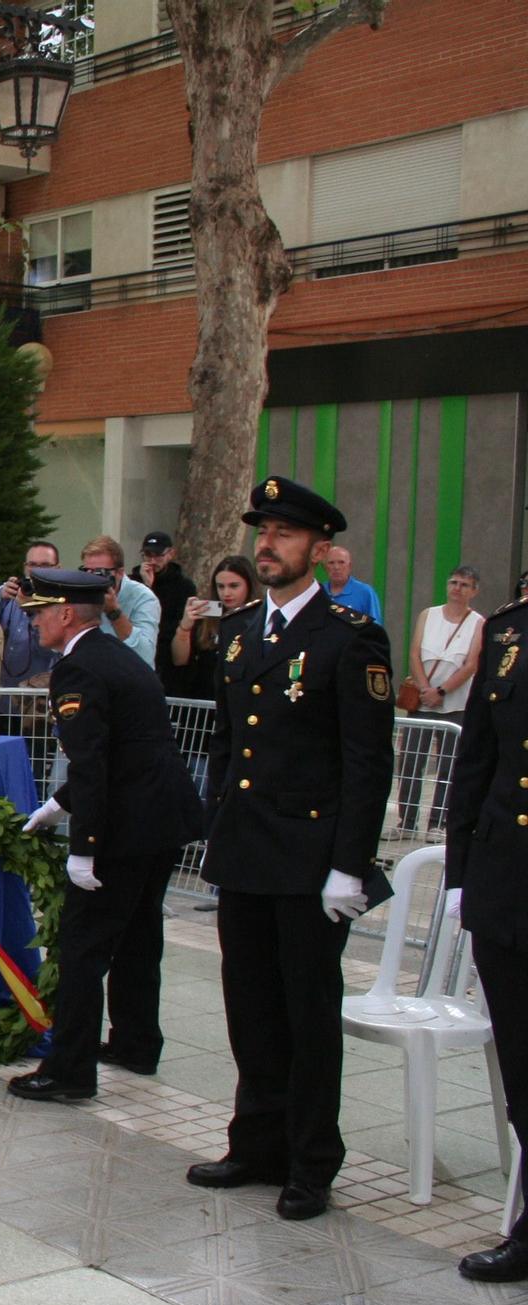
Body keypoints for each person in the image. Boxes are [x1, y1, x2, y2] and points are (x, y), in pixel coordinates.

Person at [186, 476, 393, 1223]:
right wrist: (214, 821)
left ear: (320, 547)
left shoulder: (348, 635)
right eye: (262, 532)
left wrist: (349, 862)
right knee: (251, 1008)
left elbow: (367, 761)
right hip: (245, 849)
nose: (267, 544)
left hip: (310, 859)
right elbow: (225, 740)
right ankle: (256, 1141)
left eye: (284, 534)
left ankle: (311, 1160)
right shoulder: (240, 631)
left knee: (308, 1016)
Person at [9, 569, 203, 1102]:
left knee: (82, 947)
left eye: (39, 613)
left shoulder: (77, 669)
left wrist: (83, 848)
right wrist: (57, 804)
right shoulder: (115, 654)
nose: (34, 622)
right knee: (139, 937)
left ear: (66, 614)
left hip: (125, 825)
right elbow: (124, 749)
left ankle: (68, 1072)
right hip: (161, 818)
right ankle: (136, 1043)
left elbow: (93, 762)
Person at [443, 588, 528, 1282]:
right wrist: (460, 876)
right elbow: (475, 758)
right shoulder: (508, 631)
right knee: (523, 1068)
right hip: (509, 879)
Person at [396, 565, 483, 835]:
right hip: (422, 700)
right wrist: (425, 688)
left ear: (474, 591)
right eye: (454, 582)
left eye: (464, 585)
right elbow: (414, 653)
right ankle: (406, 821)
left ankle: (438, 822)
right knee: (410, 760)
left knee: (449, 764)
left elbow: (470, 665)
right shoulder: (428, 615)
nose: (457, 588)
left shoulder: (478, 622)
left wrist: (441, 691)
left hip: (454, 703)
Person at [0, 541, 63, 732]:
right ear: (25, 568)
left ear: (57, 569)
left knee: (34, 761)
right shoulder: (14, 593)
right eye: (32, 565)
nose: (37, 571)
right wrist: (0, 596)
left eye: (45, 566)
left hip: (35, 710)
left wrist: (32, 610)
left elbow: (49, 647)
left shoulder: (60, 603)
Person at [168, 555, 259, 702]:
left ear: (249, 585)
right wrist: (184, 628)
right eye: (220, 586)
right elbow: (179, 660)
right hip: (202, 698)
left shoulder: (260, 615)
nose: (226, 593)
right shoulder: (208, 615)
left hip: (240, 699)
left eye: (234, 586)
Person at [79, 535, 159, 666]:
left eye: (101, 572)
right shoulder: (81, 593)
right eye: (87, 571)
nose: (93, 578)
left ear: (120, 573)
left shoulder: (143, 597)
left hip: (130, 678)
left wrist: (114, 613)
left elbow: (145, 654)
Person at [133, 531, 198, 686]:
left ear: (170, 554)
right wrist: (146, 587)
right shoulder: (133, 582)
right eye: (148, 555)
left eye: (158, 555)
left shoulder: (183, 586)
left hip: (168, 654)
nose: (153, 560)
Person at [322, 545, 384, 623]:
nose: (336, 567)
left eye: (341, 562)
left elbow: (375, 628)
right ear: (325, 567)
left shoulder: (365, 593)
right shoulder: (319, 592)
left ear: (350, 566)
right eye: (331, 563)